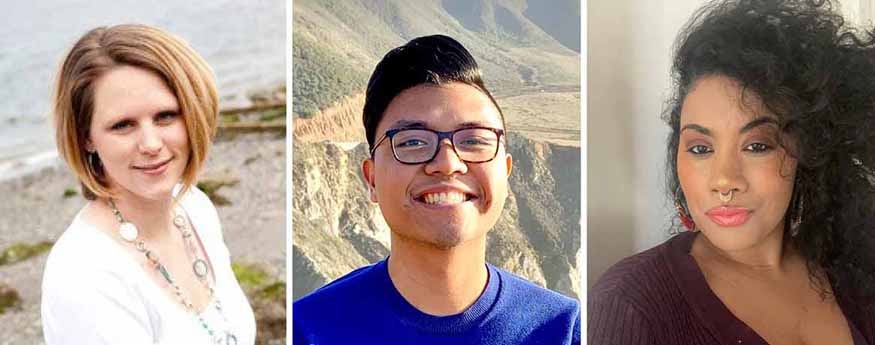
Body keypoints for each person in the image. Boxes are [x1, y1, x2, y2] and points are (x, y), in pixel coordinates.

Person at [589, 0, 875, 344]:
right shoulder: (630, 305)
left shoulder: (853, 279)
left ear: (807, 148)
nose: (725, 180)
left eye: (757, 145)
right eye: (700, 148)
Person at [293, 34, 580, 344]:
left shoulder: (564, 329)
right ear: (372, 178)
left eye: (473, 140)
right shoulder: (307, 329)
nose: (447, 162)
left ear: (506, 172)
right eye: (413, 142)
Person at [41, 24, 256, 345]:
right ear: (86, 137)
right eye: (123, 125)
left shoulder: (195, 208)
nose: (151, 143)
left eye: (165, 116)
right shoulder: (84, 276)